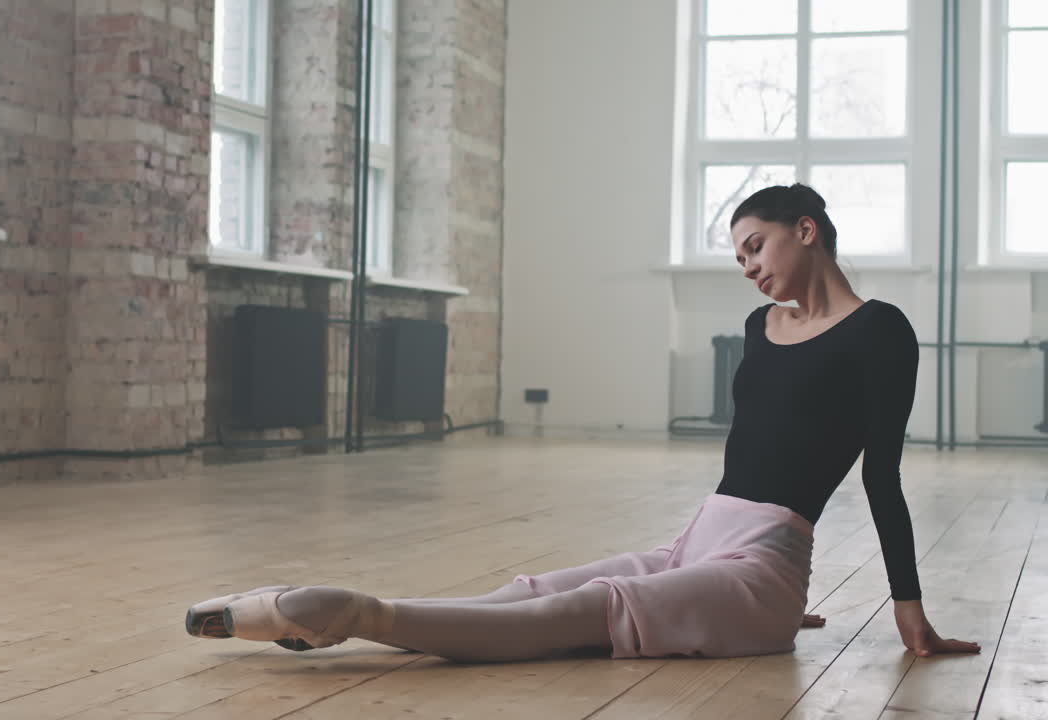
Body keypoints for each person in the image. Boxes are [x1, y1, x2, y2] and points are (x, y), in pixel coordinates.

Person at [184, 184, 982, 663]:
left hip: (763, 568)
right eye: (738, 257)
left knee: (574, 613)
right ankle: (359, 608)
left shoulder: (882, 330)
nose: (749, 266)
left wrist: (902, 608)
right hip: (702, 543)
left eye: (756, 245)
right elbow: (758, 447)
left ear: (806, 229)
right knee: (536, 587)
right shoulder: (757, 326)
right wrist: (700, 583)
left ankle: (362, 617)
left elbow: (881, 474)